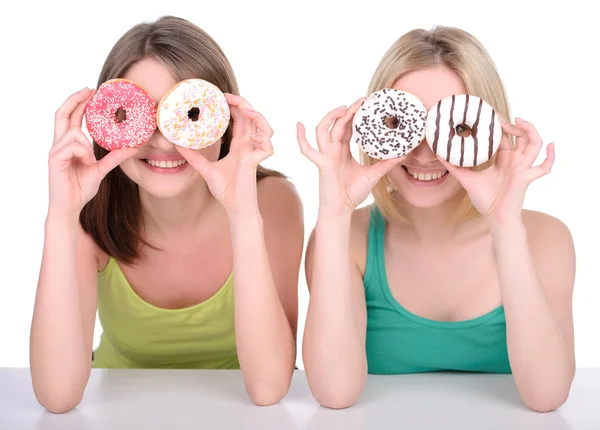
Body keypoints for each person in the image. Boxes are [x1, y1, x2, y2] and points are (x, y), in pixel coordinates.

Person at [31, 16, 303, 413]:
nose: (162, 140)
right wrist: (61, 216)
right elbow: (56, 398)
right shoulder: (88, 212)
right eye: (136, 115)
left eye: (187, 114)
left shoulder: (273, 202)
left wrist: (242, 214)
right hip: (117, 410)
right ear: (104, 126)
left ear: (225, 123)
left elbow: (269, 388)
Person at [298, 26, 575, 412]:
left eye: (456, 127)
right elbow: (334, 393)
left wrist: (505, 224)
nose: (425, 153)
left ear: (491, 131)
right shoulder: (348, 238)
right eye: (400, 124)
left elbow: (547, 397)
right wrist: (334, 212)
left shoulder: (546, 239)